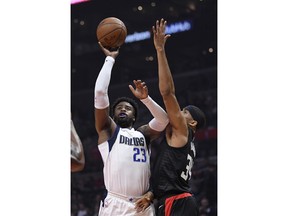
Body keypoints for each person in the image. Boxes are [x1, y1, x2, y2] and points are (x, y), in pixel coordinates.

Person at [94, 42, 169, 216]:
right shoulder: (109, 131)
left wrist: (146, 99)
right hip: (115, 204)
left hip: (141, 204)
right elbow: (99, 93)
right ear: (112, 115)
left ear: (134, 116)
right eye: (119, 107)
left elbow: (163, 120)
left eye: (127, 108)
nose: (123, 109)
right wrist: (110, 60)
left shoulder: (143, 134)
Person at [150, 19, 207, 216]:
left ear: (192, 123)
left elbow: (167, 93)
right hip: (177, 202)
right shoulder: (185, 142)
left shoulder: (183, 130)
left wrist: (159, 50)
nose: (177, 113)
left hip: (176, 203)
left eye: (184, 112)